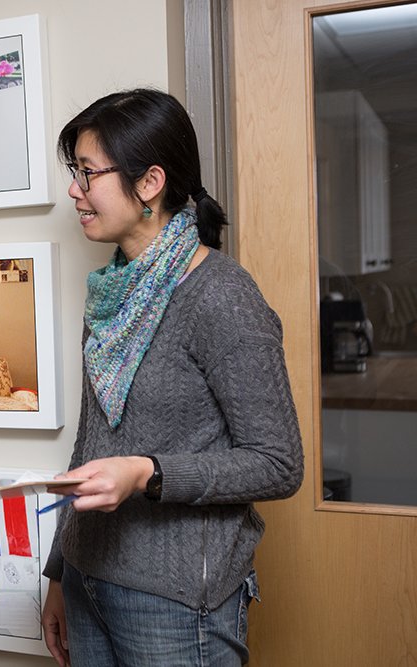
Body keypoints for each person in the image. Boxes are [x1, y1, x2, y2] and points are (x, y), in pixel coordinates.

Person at [40, 89, 303, 667]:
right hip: (88, 583)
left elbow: (278, 463)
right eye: (75, 172)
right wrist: (59, 574)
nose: (74, 190)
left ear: (150, 182)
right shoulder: (113, 294)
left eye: (87, 173)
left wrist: (147, 474)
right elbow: (93, 443)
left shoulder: (222, 296)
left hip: (179, 605)